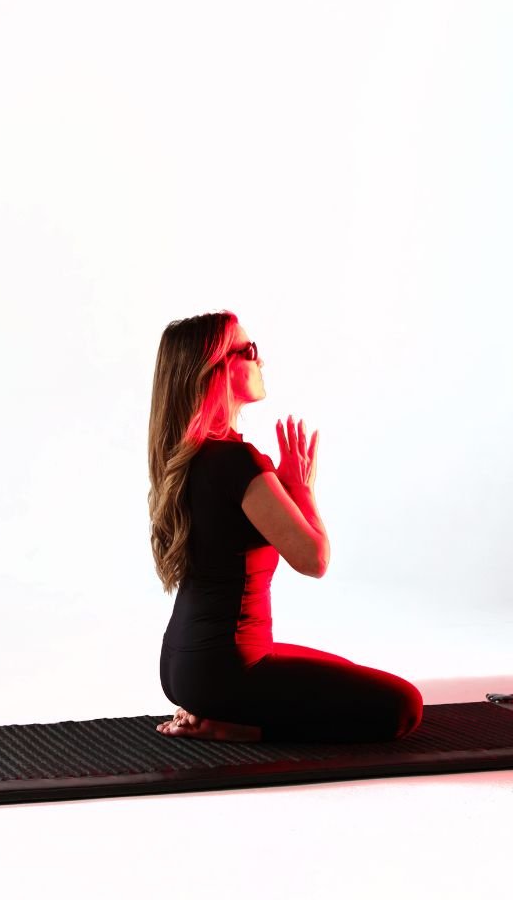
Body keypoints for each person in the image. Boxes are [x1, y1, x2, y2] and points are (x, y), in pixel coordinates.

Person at [147, 310, 423, 742]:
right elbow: (314, 560)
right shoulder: (237, 462)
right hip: (225, 674)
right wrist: (302, 490)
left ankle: (217, 710)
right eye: (249, 351)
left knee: (346, 672)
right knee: (403, 705)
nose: (260, 359)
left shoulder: (190, 459)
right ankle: (238, 728)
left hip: (181, 667)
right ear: (215, 369)